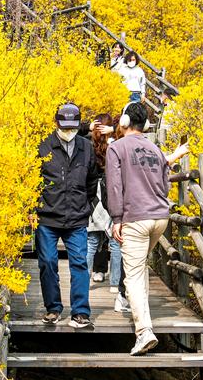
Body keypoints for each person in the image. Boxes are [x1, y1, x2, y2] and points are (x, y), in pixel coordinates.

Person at [106, 101, 173, 355]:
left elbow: (114, 186)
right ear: (144, 125)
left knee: (132, 274)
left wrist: (116, 218)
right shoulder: (155, 149)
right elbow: (166, 185)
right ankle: (143, 317)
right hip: (160, 217)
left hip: (135, 218)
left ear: (124, 122)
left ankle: (144, 331)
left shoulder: (117, 148)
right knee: (140, 266)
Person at [36, 103, 100, 329]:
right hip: (47, 216)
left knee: (80, 263)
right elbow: (33, 178)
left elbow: (92, 179)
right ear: (56, 123)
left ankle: (80, 312)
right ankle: (53, 308)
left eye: (73, 127)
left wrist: (87, 204)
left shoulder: (86, 147)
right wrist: (33, 208)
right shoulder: (44, 145)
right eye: (65, 127)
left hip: (77, 217)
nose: (69, 131)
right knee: (47, 262)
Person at [85, 113, 121, 289]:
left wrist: (88, 128)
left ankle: (84, 281)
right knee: (115, 242)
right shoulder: (116, 145)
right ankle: (115, 284)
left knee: (91, 242)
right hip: (112, 193)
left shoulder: (87, 145)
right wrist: (114, 132)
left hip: (94, 195)